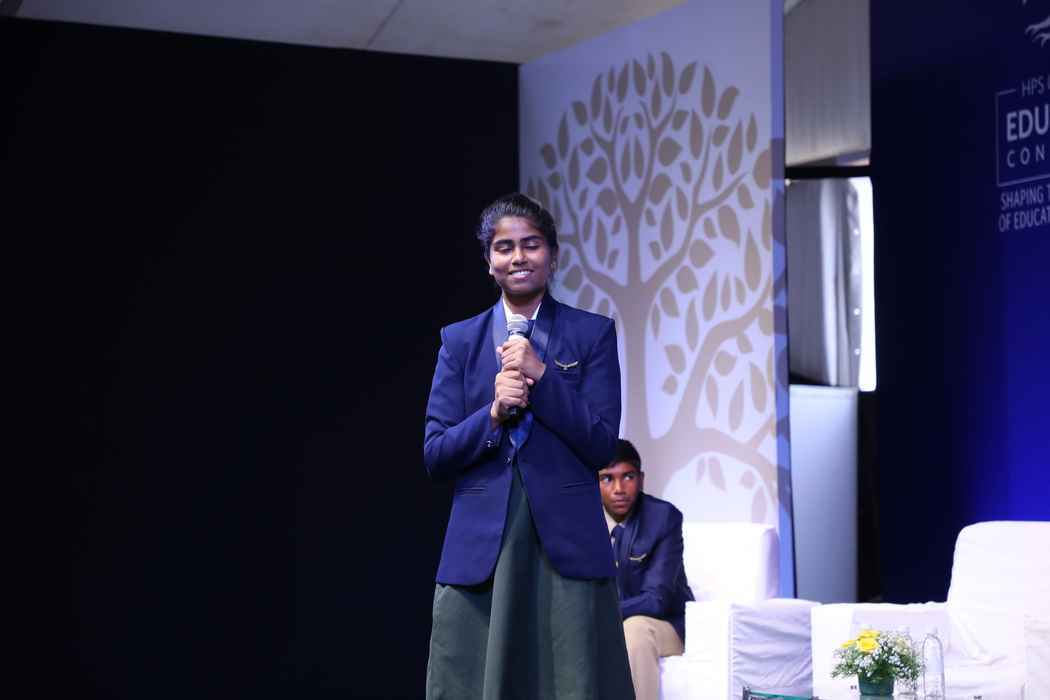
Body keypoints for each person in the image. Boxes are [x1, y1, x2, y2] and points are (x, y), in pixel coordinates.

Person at [423, 193, 634, 699]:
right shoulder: (460, 341)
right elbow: (436, 453)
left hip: (566, 548)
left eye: (532, 245)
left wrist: (543, 376)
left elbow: (602, 445)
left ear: (553, 256)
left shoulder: (591, 334)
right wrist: (493, 414)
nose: (518, 257)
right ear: (489, 261)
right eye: (504, 247)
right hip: (483, 552)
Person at [599, 439, 694, 700]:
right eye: (607, 478)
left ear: (641, 479)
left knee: (635, 630)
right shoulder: (584, 523)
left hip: (667, 625)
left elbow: (656, 600)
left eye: (627, 477)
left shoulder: (663, 518)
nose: (618, 489)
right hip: (607, 622)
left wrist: (602, 612)